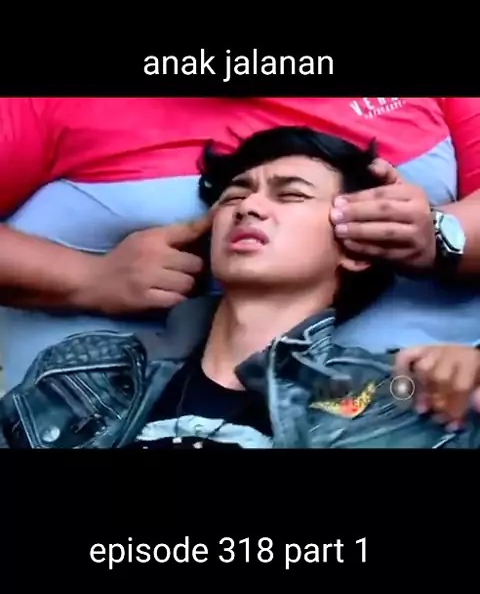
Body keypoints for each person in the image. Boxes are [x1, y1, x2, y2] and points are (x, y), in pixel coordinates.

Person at [2, 126, 479, 450]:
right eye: (234, 195)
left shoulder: (392, 395)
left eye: (291, 194)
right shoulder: (82, 372)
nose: (250, 207)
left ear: (356, 248)